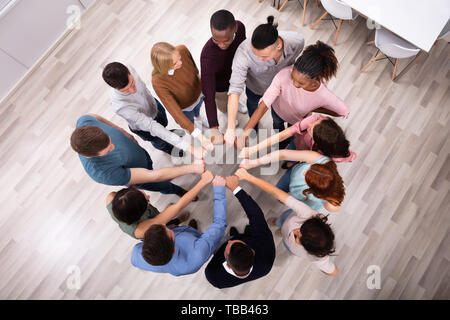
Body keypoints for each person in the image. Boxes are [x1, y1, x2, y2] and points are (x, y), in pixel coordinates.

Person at [236, 40, 350, 150]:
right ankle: (280, 143)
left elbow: (342, 111)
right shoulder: (283, 74)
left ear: (315, 80)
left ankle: (285, 142)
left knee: (291, 135)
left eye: (301, 83)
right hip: (277, 112)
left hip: (296, 121)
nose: (294, 84)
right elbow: (265, 103)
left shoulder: (323, 94)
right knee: (277, 126)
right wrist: (244, 135)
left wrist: (316, 108)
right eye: (292, 77)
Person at [235, 168, 338, 276]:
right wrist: (248, 177)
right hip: (287, 219)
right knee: (280, 221)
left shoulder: (319, 258)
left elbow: (333, 272)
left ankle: (280, 230)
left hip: (290, 246)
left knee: (284, 237)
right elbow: (277, 193)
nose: (296, 230)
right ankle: (277, 223)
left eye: (298, 236)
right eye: (301, 228)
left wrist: (322, 267)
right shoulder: (309, 214)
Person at [71, 113, 205, 197]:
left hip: (140, 156)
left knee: (151, 167)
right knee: (160, 183)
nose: (113, 146)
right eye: (108, 150)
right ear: (94, 155)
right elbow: (154, 176)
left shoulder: (84, 122)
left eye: (110, 140)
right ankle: (177, 191)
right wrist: (192, 167)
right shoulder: (103, 173)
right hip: (141, 177)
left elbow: (97, 117)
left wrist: (123, 131)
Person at [224, 15, 305, 147]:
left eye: (264, 56)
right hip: (256, 89)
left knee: (278, 116)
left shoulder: (297, 41)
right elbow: (234, 90)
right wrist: (231, 128)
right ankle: (253, 126)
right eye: (256, 55)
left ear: (279, 45)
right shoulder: (243, 53)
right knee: (253, 107)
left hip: (281, 90)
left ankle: (281, 138)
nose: (259, 59)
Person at [131, 172, 228, 276]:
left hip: (183, 235)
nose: (164, 224)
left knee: (180, 230)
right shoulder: (198, 253)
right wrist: (219, 190)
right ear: (173, 250)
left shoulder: (137, 255)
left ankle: (189, 231)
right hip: (200, 245)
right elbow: (219, 224)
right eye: (166, 230)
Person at [102, 62, 206, 159]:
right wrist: (190, 148)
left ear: (127, 69)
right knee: (160, 141)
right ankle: (168, 148)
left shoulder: (127, 66)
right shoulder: (121, 106)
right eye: (126, 91)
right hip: (145, 128)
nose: (133, 91)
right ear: (115, 88)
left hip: (154, 106)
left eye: (132, 83)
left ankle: (170, 135)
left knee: (164, 124)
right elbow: (153, 127)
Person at [204, 175, 275, 289]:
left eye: (227, 246)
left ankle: (237, 236)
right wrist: (236, 188)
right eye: (233, 242)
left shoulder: (214, 276)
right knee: (243, 234)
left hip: (221, 248)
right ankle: (238, 235)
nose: (228, 242)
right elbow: (256, 215)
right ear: (252, 250)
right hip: (254, 237)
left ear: (227, 263)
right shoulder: (266, 258)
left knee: (221, 240)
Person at [151, 42, 213, 151]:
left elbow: (194, 69)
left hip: (197, 93)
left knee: (198, 109)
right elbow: (176, 113)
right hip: (184, 108)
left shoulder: (183, 49)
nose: (180, 63)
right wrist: (200, 137)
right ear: (164, 67)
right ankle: (195, 126)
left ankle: (199, 117)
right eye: (175, 63)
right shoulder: (158, 81)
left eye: (179, 58)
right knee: (189, 120)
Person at [106, 174, 208, 238]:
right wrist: (203, 181)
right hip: (155, 231)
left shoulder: (111, 198)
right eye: (146, 199)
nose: (148, 195)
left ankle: (173, 219)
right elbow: (179, 206)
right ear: (141, 212)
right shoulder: (142, 230)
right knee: (170, 229)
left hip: (152, 218)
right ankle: (179, 224)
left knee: (164, 217)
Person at [240, 149, 345, 212]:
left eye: (307, 178)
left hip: (300, 198)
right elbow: (283, 154)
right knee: (280, 187)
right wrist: (254, 163)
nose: (304, 172)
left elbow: (277, 194)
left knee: (281, 195)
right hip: (291, 176)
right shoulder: (321, 160)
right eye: (310, 168)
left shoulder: (330, 203)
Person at [200, 9, 247, 144]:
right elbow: (208, 95)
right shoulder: (207, 57)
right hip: (221, 88)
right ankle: (227, 112)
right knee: (224, 104)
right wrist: (214, 127)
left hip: (238, 76)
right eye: (216, 40)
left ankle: (236, 104)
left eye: (226, 40)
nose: (221, 45)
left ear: (235, 29)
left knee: (235, 98)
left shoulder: (241, 28)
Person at [240, 113, 356, 163]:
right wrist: (253, 149)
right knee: (290, 153)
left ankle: (291, 163)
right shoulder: (317, 119)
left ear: (316, 141)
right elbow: (282, 135)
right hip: (298, 144)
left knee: (291, 159)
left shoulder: (336, 156)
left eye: (310, 130)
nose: (309, 125)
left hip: (306, 158)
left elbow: (352, 156)